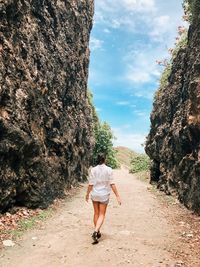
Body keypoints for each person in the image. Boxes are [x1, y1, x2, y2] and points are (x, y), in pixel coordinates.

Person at [85, 154, 121, 244]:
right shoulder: (109, 170)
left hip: (95, 194)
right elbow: (112, 183)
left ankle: (97, 231)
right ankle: (96, 231)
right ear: (105, 159)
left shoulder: (93, 170)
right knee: (102, 214)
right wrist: (117, 196)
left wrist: (87, 194)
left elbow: (91, 184)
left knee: (96, 213)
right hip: (104, 195)